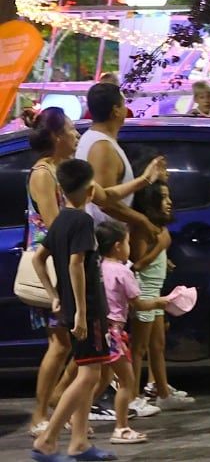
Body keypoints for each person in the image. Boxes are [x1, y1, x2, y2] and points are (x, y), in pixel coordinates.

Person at [31, 158, 111, 462]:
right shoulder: (82, 221)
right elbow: (76, 264)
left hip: (73, 307)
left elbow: (40, 259)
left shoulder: (61, 220)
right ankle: (47, 439)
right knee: (89, 376)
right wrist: (79, 312)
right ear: (90, 190)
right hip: (87, 310)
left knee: (87, 371)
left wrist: (54, 296)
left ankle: (79, 442)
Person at [95, 220, 173, 445]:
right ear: (119, 246)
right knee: (127, 382)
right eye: (128, 242)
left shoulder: (97, 267)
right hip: (115, 333)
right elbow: (139, 304)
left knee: (101, 379)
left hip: (98, 330)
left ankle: (75, 416)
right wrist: (162, 302)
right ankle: (121, 428)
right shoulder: (122, 272)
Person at [25, 109, 77, 437]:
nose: (76, 134)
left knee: (72, 343)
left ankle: (57, 405)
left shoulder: (59, 170)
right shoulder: (43, 173)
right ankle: (39, 415)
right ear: (57, 137)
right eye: (71, 129)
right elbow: (54, 226)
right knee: (59, 344)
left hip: (67, 264)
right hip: (54, 269)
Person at [76, 81, 165, 234]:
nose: (126, 109)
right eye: (123, 104)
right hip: (106, 240)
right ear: (115, 110)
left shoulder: (96, 140)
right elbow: (105, 202)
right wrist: (143, 221)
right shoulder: (102, 147)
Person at [129, 180, 187, 411]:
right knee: (139, 348)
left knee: (158, 345)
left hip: (156, 292)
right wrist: (160, 248)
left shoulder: (158, 228)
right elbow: (137, 265)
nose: (169, 202)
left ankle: (162, 392)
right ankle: (132, 397)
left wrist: (165, 258)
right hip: (144, 293)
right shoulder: (142, 229)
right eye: (163, 198)